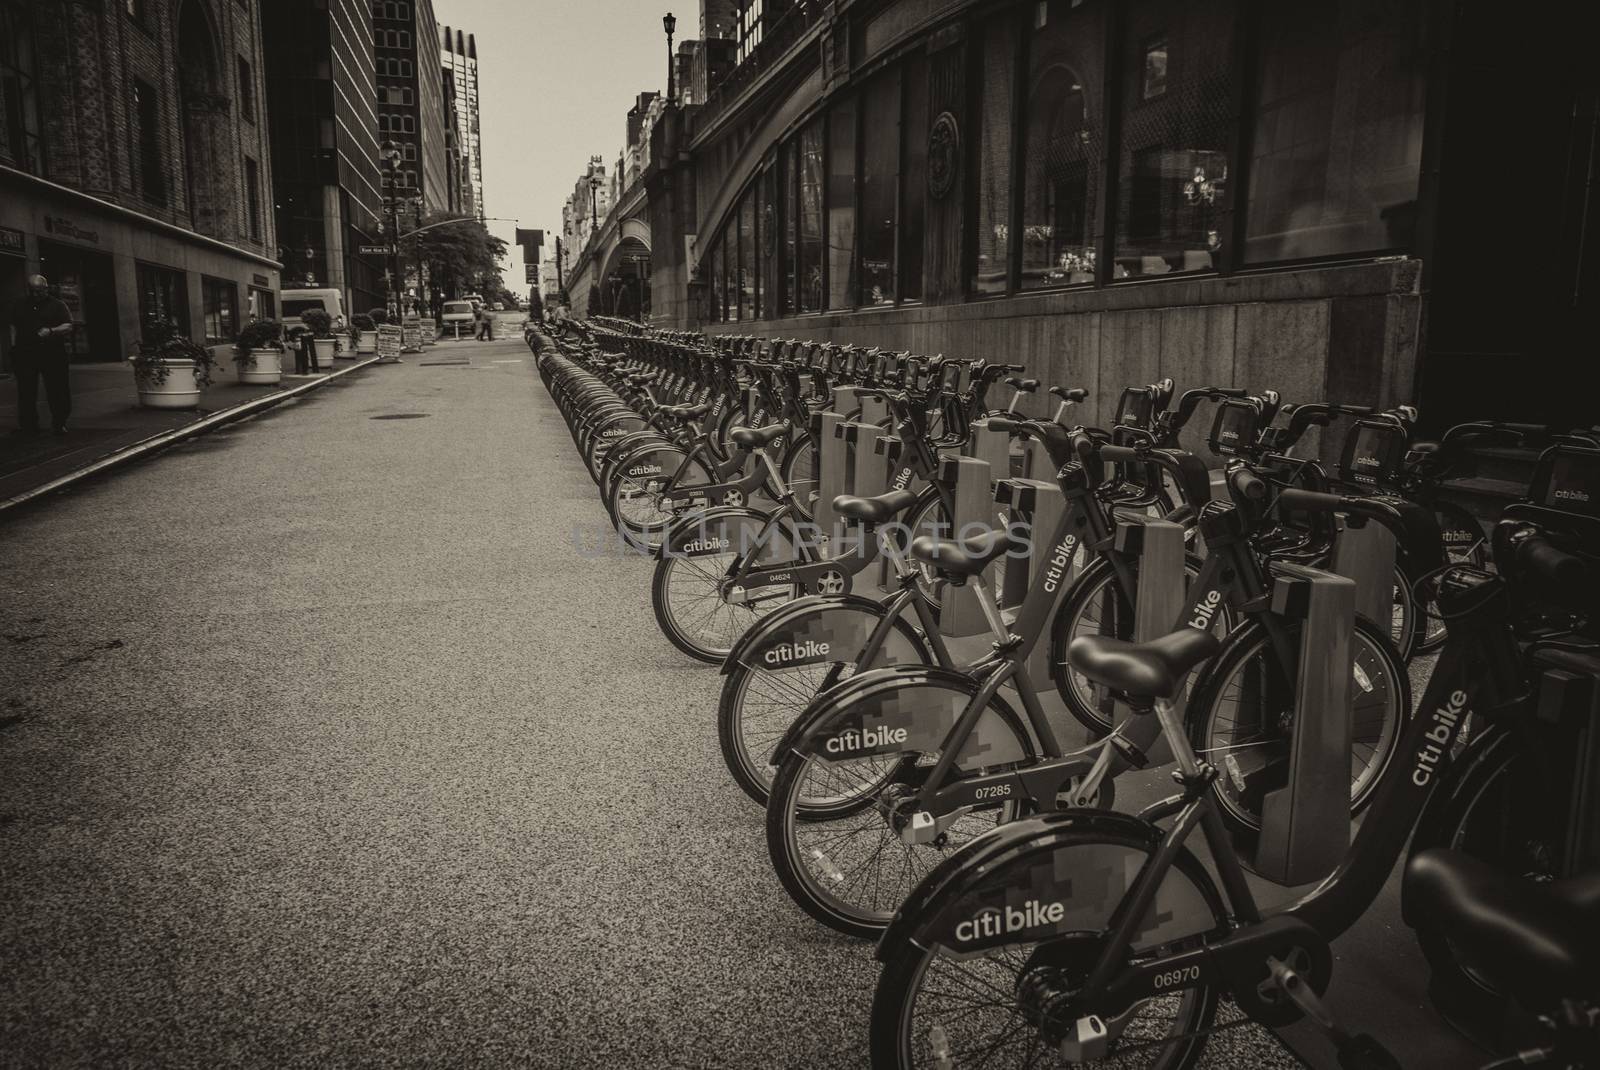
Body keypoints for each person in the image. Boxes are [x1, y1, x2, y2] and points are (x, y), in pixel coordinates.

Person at [6, 274, 73, 435]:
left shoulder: (58, 305)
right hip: (26, 352)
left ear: (46, 288)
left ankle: (59, 423)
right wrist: (14, 346)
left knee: (57, 388)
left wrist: (51, 331)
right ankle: (28, 425)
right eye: (32, 291)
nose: (36, 295)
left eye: (39, 291)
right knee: (26, 390)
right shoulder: (20, 304)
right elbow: (13, 325)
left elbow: (68, 326)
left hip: (52, 352)